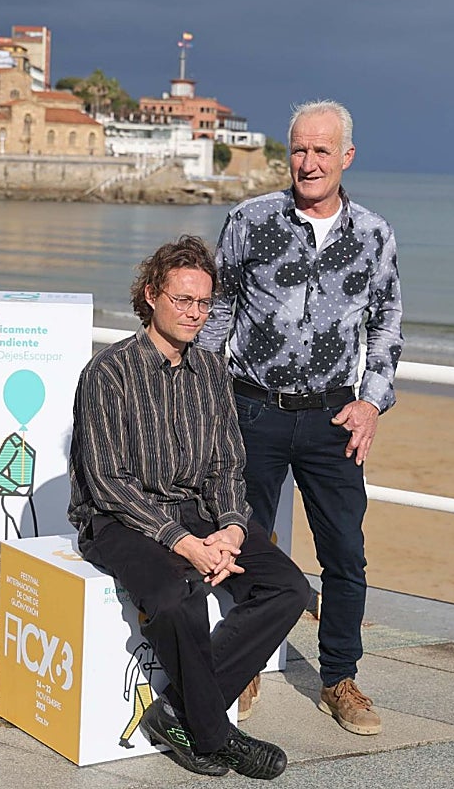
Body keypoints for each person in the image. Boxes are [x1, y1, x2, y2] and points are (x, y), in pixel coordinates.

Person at [196, 100, 404, 736]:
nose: (309, 163)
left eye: (322, 151)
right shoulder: (248, 220)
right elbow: (220, 311)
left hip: (333, 419)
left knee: (344, 552)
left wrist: (372, 401)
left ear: (346, 157)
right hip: (249, 408)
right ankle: (247, 659)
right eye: (299, 151)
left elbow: (387, 323)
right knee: (244, 543)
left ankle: (340, 677)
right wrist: (202, 395)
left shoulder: (374, 235)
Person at [68, 235, 310, 779]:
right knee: (178, 599)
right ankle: (216, 733)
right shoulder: (107, 373)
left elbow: (227, 464)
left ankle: (176, 712)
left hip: (199, 510)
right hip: (121, 518)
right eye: (183, 300)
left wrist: (228, 531)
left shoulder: (213, 373)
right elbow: (106, 480)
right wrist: (181, 544)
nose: (195, 314)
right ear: (152, 295)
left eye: (203, 303)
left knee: (289, 588)